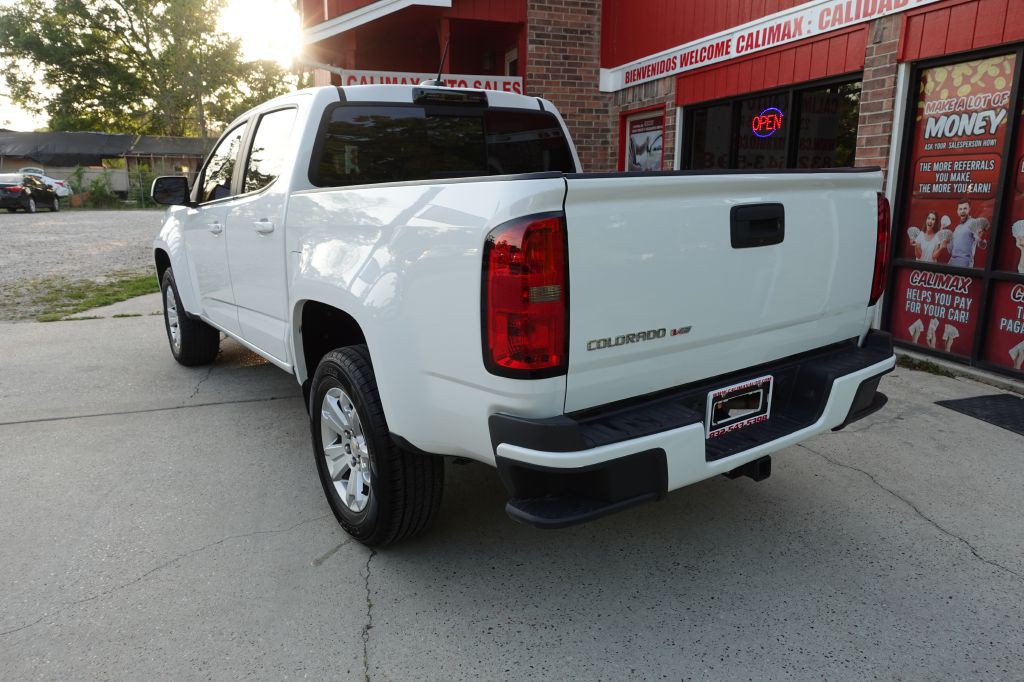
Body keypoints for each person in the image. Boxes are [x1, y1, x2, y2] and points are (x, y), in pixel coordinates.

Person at [948, 199, 989, 268]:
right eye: (960, 209)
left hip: (964, 262)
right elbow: (950, 250)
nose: (962, 211)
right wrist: (947, 243)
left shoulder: (974, 223)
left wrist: (981, 239)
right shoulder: (957, 228)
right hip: (951, 261)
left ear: (969, 209)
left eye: (965, 208)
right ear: (957, 211)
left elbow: (982, 245)